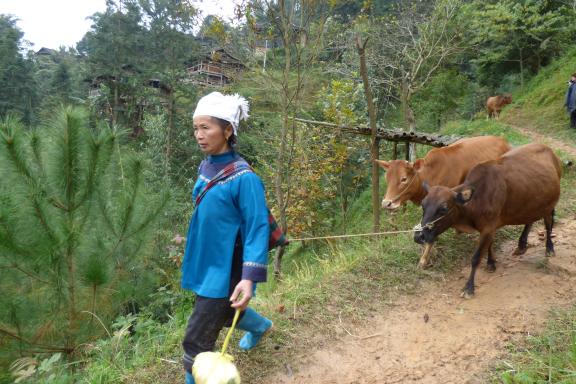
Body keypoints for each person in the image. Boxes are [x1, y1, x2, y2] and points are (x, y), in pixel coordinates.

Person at [181, 92, 273, 384]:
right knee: (221, 310)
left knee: (197, 339)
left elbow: (258, 226)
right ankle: (260, 326)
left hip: (227, 266)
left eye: (206, 127)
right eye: (196, 128)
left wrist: (248, 278)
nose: (199, 135)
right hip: (207, 258)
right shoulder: (207, 166)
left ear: (228, 130)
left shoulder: (245, 178)